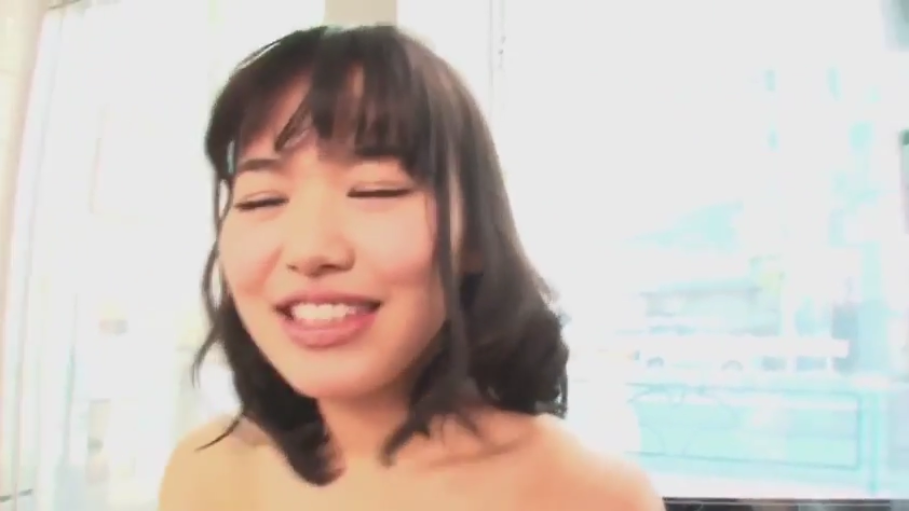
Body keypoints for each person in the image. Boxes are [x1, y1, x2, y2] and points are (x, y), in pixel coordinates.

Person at [158, 24, 663, 511]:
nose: (310, 250)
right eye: (261, 199)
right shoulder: (207, 473)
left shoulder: (585, 495)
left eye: (376, 191)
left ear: (475, 237)